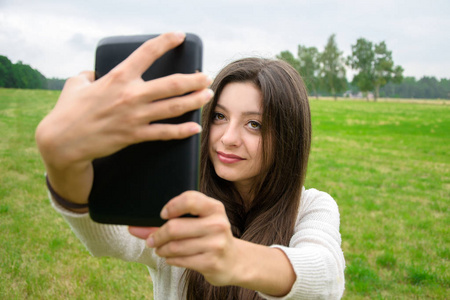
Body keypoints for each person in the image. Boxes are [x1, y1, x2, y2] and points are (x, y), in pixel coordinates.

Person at [36, 32, 345, 299]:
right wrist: (63, 163)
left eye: (254, 124)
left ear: (290, 138)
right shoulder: (180, 197)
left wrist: (231, 257)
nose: (227, 138)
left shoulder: (312, 206)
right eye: (219, 116)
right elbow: (109, 237)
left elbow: (325, 280)